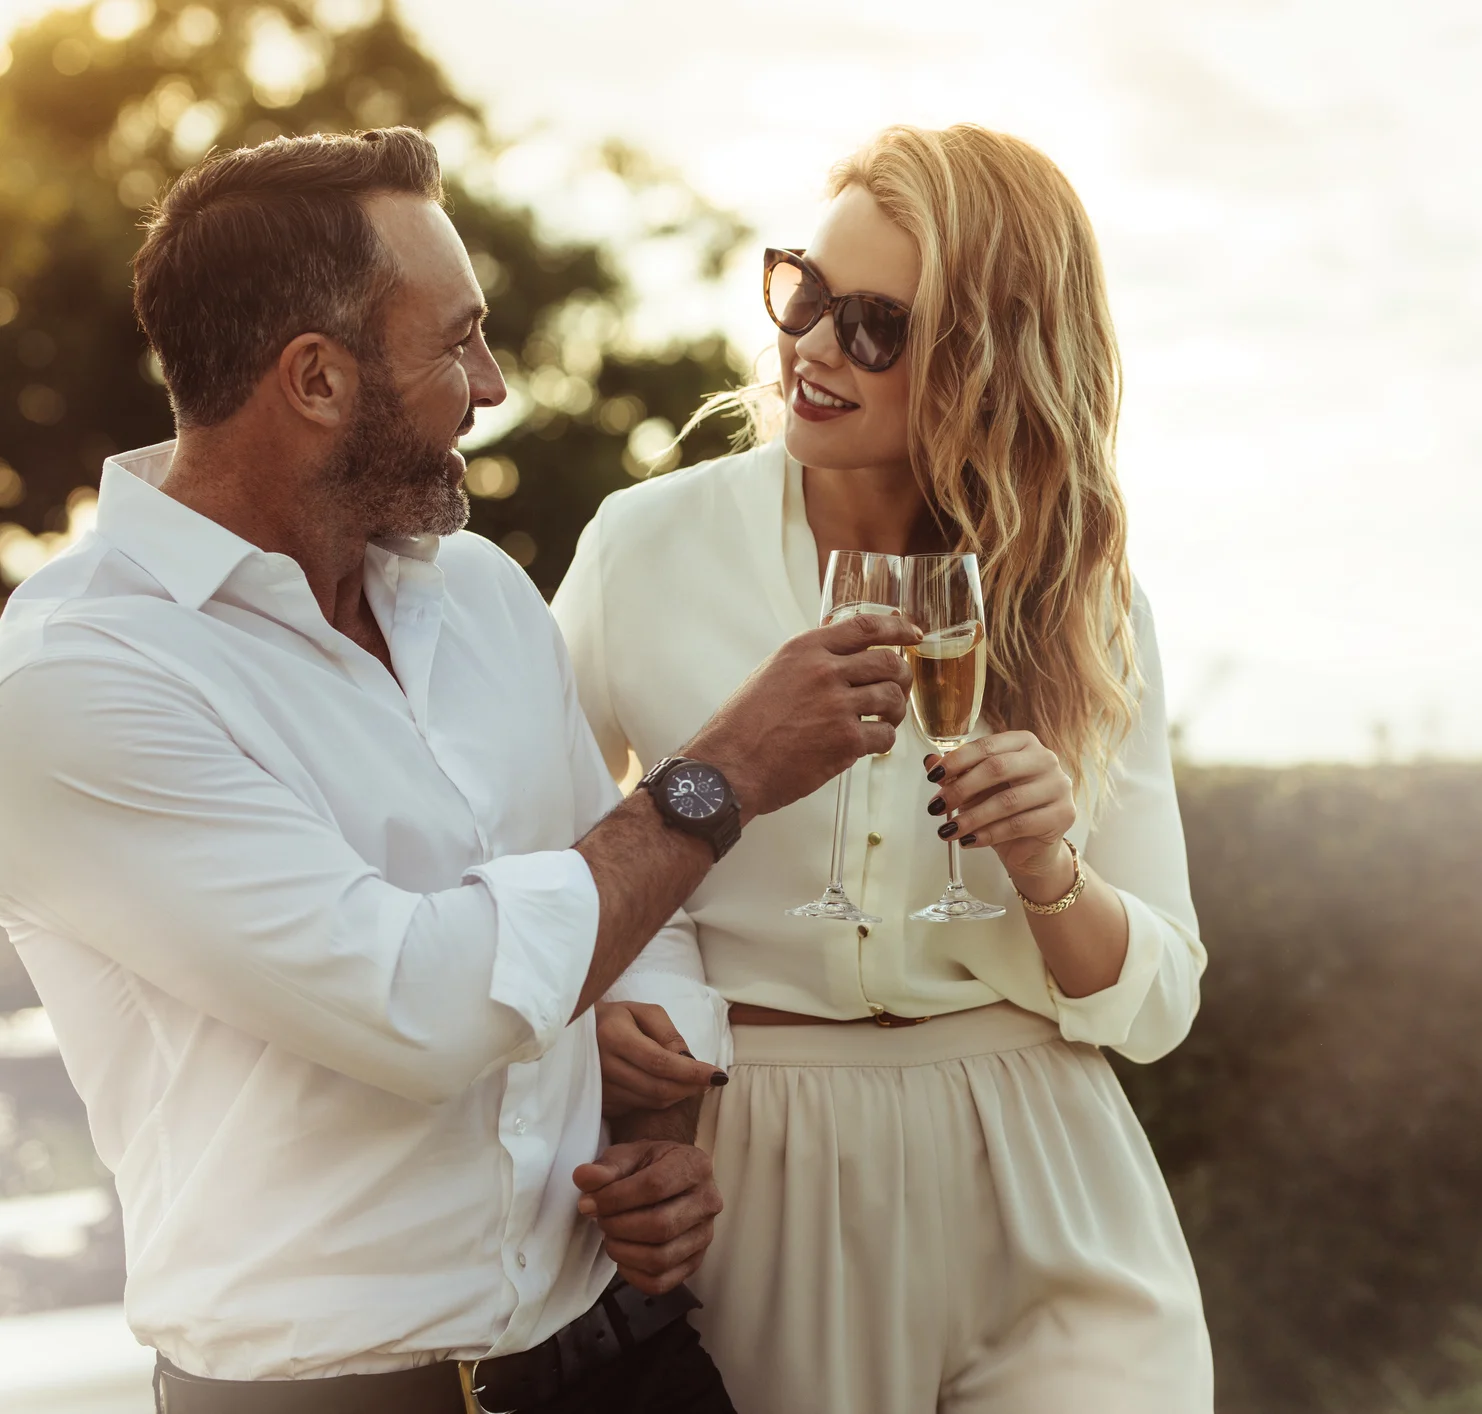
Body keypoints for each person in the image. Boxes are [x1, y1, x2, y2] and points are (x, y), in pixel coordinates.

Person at [0, 127, 919, 1413]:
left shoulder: (480, 593)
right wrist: (725, 771)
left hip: (617, 1356)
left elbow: (610, 875)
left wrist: (653, 1115)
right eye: (456, 342)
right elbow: (420, 1005)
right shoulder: (76, 681)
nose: (491, 386)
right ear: (316, 379)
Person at [554, 123, 1213, 1412]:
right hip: (767, 1169)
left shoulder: (1085, 598)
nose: (807, 344)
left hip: (1048, 1166)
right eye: (804, 289)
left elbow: (1158, 997)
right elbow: (538, 858)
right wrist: (621, 1037)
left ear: (986, 362)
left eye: (875, 326)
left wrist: (1049, 869)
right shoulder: (647, 548)